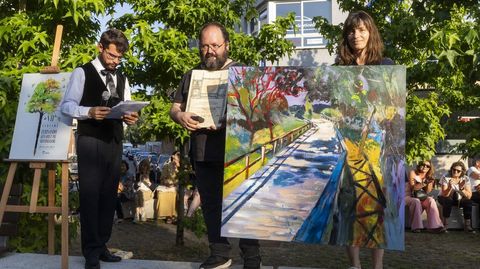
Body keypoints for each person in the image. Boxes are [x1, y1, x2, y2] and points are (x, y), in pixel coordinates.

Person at [170, 22, 261, 269]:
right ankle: (219, 253)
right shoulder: (191, 75)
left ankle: (252, 259)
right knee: (210, 203)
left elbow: (258, 109)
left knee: (244, 203)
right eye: (204, 46)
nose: (209, 51)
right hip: (202, 148)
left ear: (227, 46)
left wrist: (233, 118)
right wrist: (180, 117)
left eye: (215, 45)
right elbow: (175, 108)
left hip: (237, 150)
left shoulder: (242, 72)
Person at [60, 29, 139, 269]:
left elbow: (127, 105)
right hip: (90, 140)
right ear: (100, 47)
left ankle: (102, 245)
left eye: (119, 58)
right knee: (91, 197)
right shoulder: (81, 72)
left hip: (114, 141)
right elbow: (66, 106)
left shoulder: (123, 78)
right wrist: (89, 112)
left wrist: (131, 117)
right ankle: (91, 253)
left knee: (108, 196)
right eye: (113, 56)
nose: (116, 61)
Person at [336, 11, 393, 269]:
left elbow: (393, 109)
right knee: (348, 199)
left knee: (374, 199)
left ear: (371, 33)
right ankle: (355, 265)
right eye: (351, 30)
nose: (356, 35)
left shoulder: (385, 66)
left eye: (361, 30)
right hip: (348, 142)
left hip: (374, 142)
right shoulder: (340, 70)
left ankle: (377, 265)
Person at [405, 161, 445, 233]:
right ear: (419, 165)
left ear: (430, 168)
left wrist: (430, 183)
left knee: (431, 200)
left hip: (421, 197)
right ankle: (416, 227)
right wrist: (424, 183)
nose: (425, 167)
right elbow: (413, 188)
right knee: (416, 201)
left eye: (427, 166)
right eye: (423, 164)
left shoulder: (428, 177)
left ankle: (435, 226)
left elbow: (427, 192)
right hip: (408, 196)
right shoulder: (413, 173)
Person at [438, 161, 475, 233]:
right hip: (444, 197)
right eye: (454, 169)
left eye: (458, 171)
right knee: (448, 200)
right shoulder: (446, 176)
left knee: (468, 202)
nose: (455, 171)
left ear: (462, 172)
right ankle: (445, 225)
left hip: (458, 198)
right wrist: (449, 187)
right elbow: (445, 194)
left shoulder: (465, 178)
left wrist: (462, 189)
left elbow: (469, 196)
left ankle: (467, 225)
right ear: (451, 169)